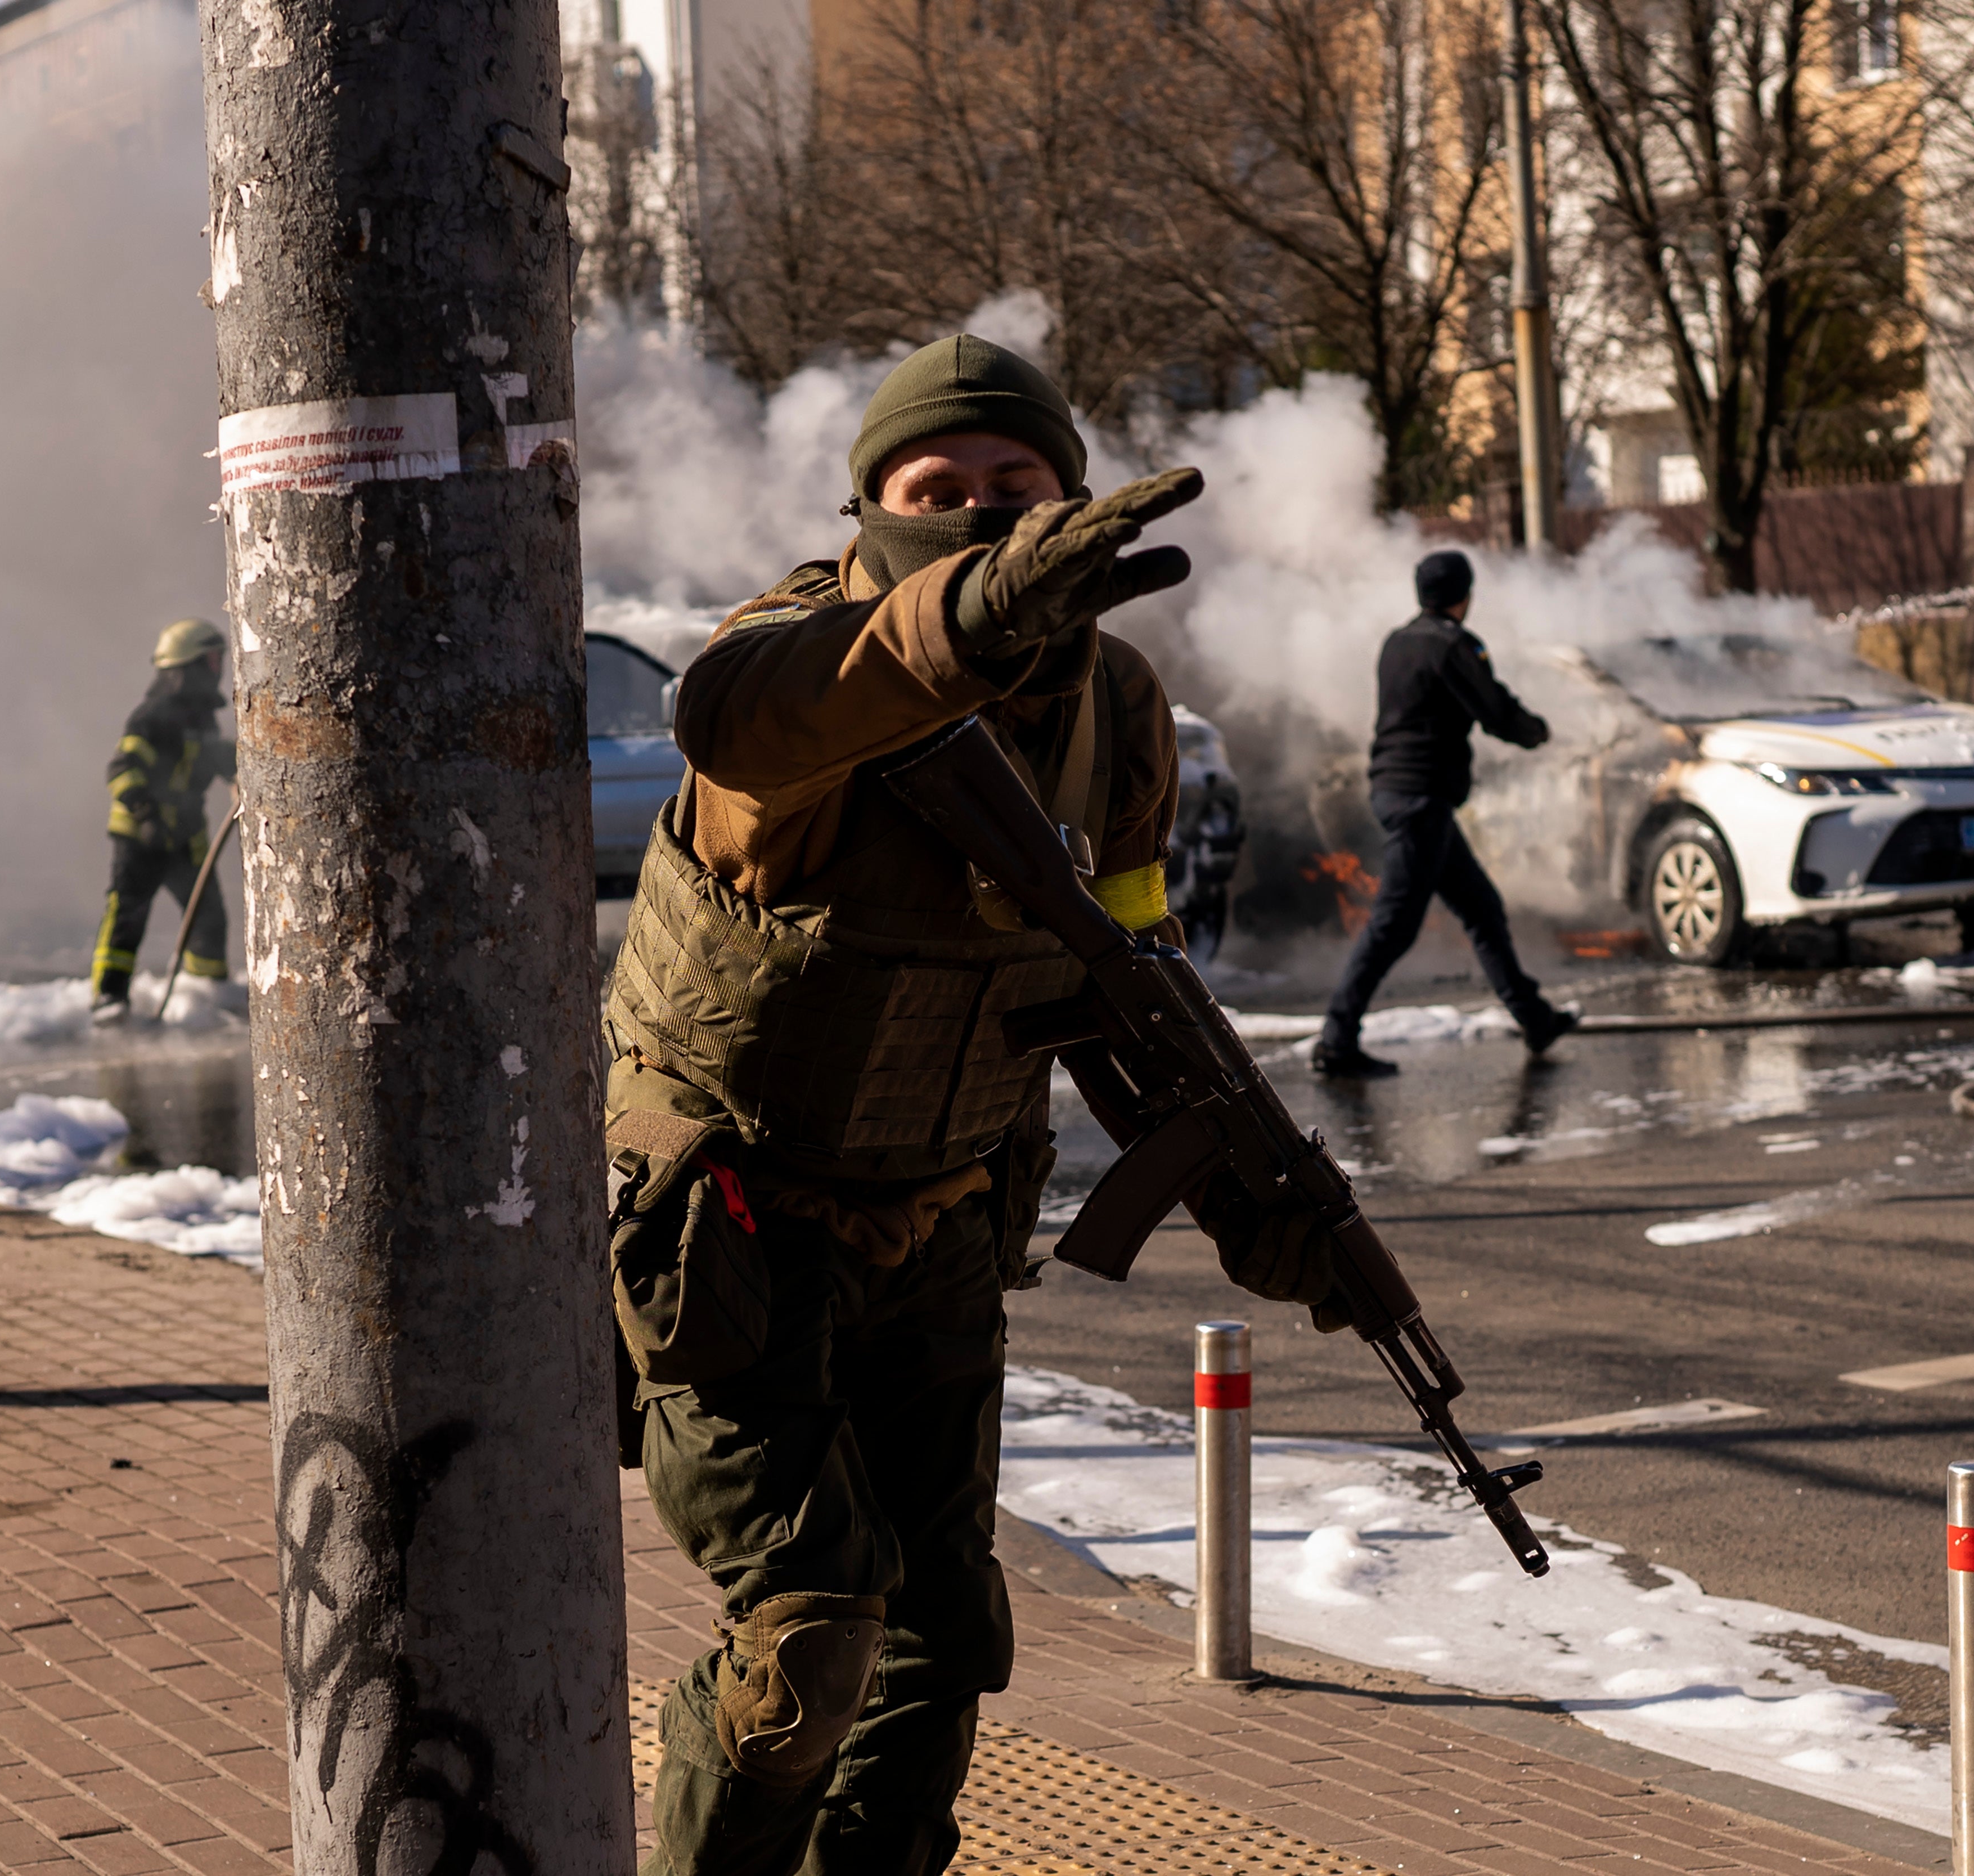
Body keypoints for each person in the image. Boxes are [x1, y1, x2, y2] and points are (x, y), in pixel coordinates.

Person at [604, 336, 1334, 1874]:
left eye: (1018, 488)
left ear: (1076, 498)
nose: (983, 514)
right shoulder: (794, 660)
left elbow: (1132, 983)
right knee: (811, 1639)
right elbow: (736, 723)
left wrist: (1256, 1197)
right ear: (868, 509)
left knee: (943, 1630)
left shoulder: (1121, 712)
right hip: (732, 1223)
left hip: (936, 1215)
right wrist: (963, 616)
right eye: (937, 491)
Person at [1314, 550, 1578, 1078]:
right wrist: (1538, 731)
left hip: (1401, 792)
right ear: (1464, 595)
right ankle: (1336, 1041)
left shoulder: (1397, 641)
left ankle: (1535, 1018)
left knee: (1482, 909)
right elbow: (1497, 713)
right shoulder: (1455, 645)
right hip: (1420, 800)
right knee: (1392, 926)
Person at [89, 618, 236, 1024]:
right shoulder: (152, 717)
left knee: (208, 915)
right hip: (141, 837)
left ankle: (208, 994)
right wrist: (147, 816)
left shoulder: (202, 719)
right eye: (210, 659)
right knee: (127, 916)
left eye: (218, 658)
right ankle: (109, 999)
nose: (218, 667)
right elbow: (122, 769)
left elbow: (208, 760)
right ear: (185, 667)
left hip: (186, 837)